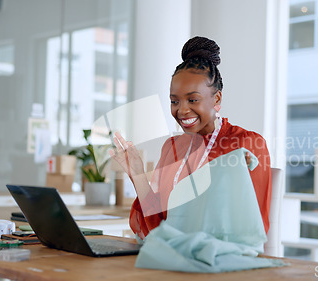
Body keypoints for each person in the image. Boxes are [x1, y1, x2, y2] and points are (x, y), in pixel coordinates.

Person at [109, 36, 272, 240]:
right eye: (174, 101)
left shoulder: (245, 144)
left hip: (219, 261)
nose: (182, 110)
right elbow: (155, 224)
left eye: (192, 99)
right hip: (171, 256)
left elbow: (249, 229)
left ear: (217, 98)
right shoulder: (173, 147)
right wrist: (137, 174)